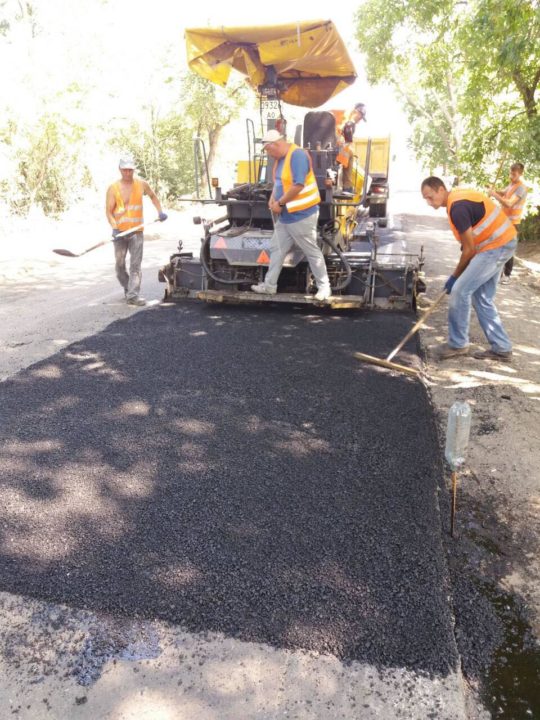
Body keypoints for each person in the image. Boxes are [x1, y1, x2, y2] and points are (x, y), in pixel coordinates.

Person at [421, 176, 517, 362]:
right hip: (501, 242)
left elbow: (469, 250)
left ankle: (458, 345)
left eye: (430, 197)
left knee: (460, 291)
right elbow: (469, 244)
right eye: (425, 198)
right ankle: (502, 348)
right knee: (481, 297)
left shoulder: (457, 207)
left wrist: (454, 277)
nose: (428, 202)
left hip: (496, 246)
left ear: (441, 189)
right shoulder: (457, 199)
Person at [251, 129, 332, 301]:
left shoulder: (297, 156)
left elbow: (298, 185)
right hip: (286, 216)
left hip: (301, 215)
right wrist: (273, 199)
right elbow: (279, 182)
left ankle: (324, 288)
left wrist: (280, 203)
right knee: (277, 249)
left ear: (277, 144)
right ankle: (269, 286)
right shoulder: (280, 159)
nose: (268, 154)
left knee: (311, 251)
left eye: (268, 150)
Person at [106, 154, 167, 306]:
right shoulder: (113, 188)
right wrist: (114, 228)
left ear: (134, 170)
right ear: (120, 169)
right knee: (119, 266)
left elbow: (153, 196)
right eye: (125, 170)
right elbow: (108, 211)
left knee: (135, 265)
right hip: (120, 233)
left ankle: (133, 295)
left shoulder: (141, 184)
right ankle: (128, 288)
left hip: (137, 232)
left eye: (130, 170)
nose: (128, 173)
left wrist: (160, 211)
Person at [488, 162, 528, 284]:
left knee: (508, 248)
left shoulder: (521, 188)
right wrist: (493, 190)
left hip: (513, 222)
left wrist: (494, 195)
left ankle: (507, 275)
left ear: (520, 174)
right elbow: (504, 192)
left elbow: (509, 203)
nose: (511, 176)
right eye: (510, 173)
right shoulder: (512, 184)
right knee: (499, 245)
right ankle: (497, 273)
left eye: (514, 174)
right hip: (504, 220)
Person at [336, 103, 367, 194]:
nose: (359, 120)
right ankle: (347, 186)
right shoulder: (350, 121)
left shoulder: (339, 113)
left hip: (323, 143)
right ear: (356, 112)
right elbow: (347, 137)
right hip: (333, 146)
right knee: (350, 153)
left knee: (347, 151)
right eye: (360, 117)